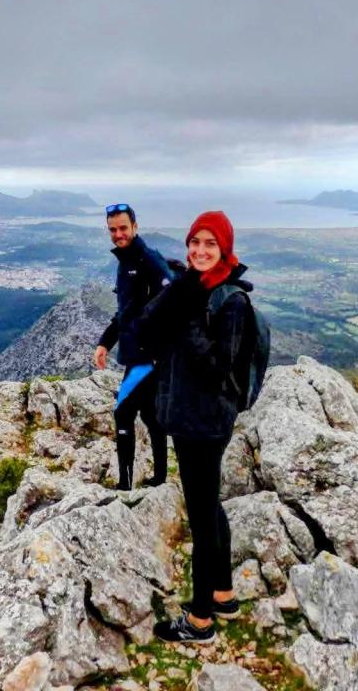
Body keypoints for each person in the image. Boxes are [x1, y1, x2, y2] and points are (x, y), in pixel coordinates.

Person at [141, 210, 253, 644]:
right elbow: (148, 325)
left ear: (224, 249)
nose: (200, 251)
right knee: (210, 507)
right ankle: (223, 594)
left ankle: (200, 620)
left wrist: (186, 318)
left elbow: (215, 368)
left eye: (210, 244)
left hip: (204, 423)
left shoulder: (232, 302)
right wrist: (183, 291)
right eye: (195, 243)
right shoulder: (196, 286)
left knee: (203, 518)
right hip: (189, 417)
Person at [94, 203, 174, 491]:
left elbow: (173, 297)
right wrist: (105, 342)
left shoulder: (148, 259)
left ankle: (125, 486)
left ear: (135, 227)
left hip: (147, 358)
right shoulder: (125, 263)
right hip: (136, 354)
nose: (118, 234)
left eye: (123, 228)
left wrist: (156, 344)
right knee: (152, 416)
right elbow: (125, 313)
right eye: (113, 230)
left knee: (123, 412)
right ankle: (161, 479)